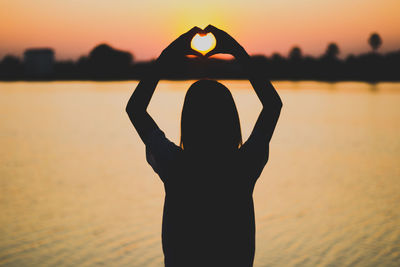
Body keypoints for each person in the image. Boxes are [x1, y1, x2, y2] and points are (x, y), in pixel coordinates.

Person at [126, 25, 283, 267]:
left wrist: (168, 56)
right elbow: (273, 105)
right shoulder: (243, 166)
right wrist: (236, 50)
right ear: (231, 122)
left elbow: (135, 109)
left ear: (188, 122)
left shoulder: (174, 165)